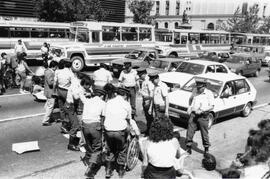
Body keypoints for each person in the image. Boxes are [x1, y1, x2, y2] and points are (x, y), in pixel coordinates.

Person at [103, 87, 132, 178]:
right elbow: (129, 118)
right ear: (125, 95)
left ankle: (108, 170)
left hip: (108, 129)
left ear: (116, 94)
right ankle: (120, 170)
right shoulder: (126, 104)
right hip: (120, 130)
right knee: (122, 149)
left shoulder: (108, 102)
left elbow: (104, 115)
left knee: (110, 148)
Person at [79, 89, 106, 179]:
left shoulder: (87, 101)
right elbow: (103, 117)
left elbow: (81, 96)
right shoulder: (103, 103)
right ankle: (90, 169)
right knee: (97, 147)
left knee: (89, 145)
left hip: (84, 125)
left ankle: (91, 160)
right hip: (95, 125)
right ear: (102, 96)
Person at [186, 78, 214, 155]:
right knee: (190, 131)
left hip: (203, 116)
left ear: (204, 86)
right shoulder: (195, 90)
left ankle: (206, 149)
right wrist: (189, 107)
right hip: (194, 115)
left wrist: (202, 110)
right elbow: (191, 99)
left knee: (204, 133)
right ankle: (188, 148)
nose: (198, 89)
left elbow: (211, 106)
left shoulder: (209, 93)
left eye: (200, 88)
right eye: (197, 87)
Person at [53, 60, 75, 133]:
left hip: (59, 90)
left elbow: (55, 83)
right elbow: (73, 84)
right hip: (67, 91)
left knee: (61, 109)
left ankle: (63, 124)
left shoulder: (58, 71)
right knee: (69, 109)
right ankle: (67, 125)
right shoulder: (70, 73)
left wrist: (54, 91)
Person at [138, 68, 154, 135]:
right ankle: (148, 130)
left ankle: (150, 132)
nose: (139, 77)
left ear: (144, 74)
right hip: (145, 100)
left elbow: (151, 93)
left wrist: (147, 98)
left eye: (140, 75)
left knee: (150, 118)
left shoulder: (148, 81)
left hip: (148, 101)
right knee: (147, 117)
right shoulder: (144, 81)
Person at [43, 61, 58, 126]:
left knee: (48, 105)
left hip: (47, 91)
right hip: (50, 91)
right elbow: (50, 82)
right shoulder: (50, 72)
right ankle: (45, 120)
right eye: (56, 67)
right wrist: (56, 81)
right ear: (54, 66)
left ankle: (50, 117)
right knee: (50, 106)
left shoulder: (47, 71)